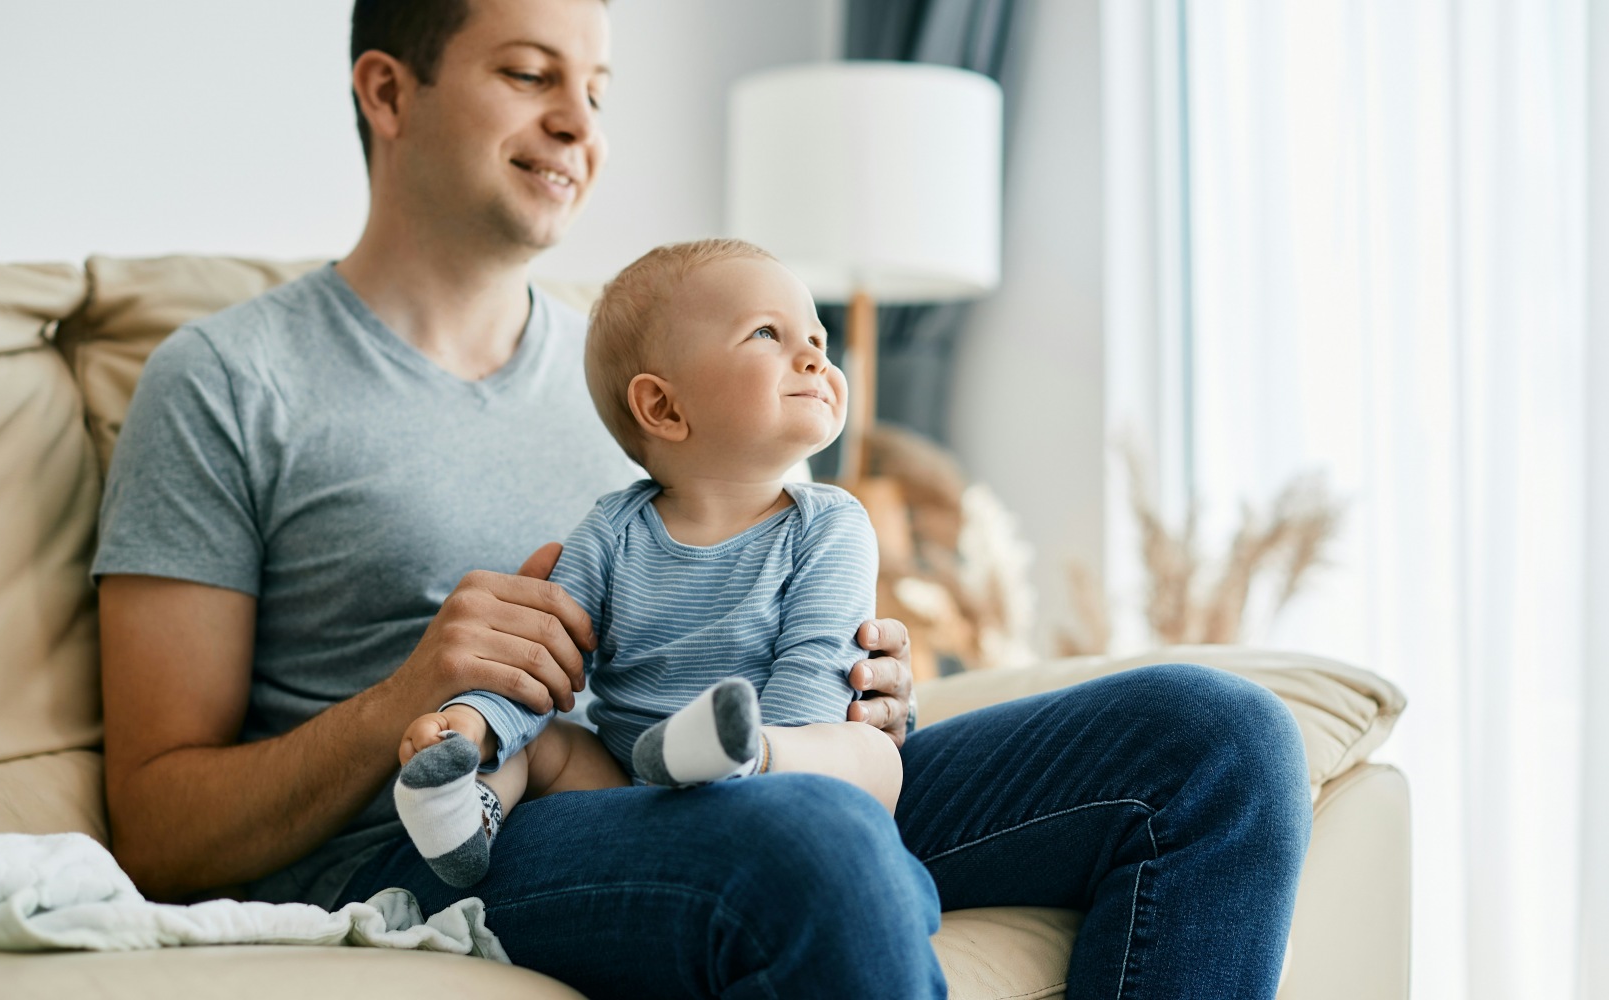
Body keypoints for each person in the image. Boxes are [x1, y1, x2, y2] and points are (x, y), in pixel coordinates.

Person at [95, 0, 1314, 996]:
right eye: (530, 74)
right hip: (506, 821)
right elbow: (154, 825)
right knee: (812, 843)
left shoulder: (674, 368)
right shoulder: (229, 380)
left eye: (602, 90)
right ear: (387, 91)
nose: (580, 123)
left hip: (758, 764)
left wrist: (862, 688)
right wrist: (406, 703)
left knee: (1219, 741)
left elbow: (770, 598)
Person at [395, 239, 904, 889]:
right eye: (767, 334)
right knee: (543, 745)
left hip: (779, 765)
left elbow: (815, 685)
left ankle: (738, 752)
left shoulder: (831, 525)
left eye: (818, 340)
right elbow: (538, 663)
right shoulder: (611, 531)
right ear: (663, 407)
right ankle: (461, 809)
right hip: (625, 779)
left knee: (869, 752)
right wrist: (470, 726)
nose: (813, 357)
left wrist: (765, 752)